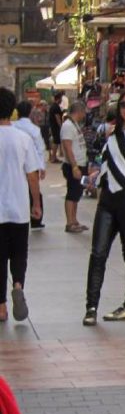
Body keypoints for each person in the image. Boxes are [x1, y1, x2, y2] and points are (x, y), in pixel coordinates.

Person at [82, 91, 125, 327]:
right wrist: (96, 175)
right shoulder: (113, 133)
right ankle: (91, 306)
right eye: (124, 104)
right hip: (108, 197)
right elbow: (108, 162)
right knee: (98, 253)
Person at [0, 88, 42, 323]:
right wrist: (36, 203)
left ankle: (2, 307)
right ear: (12, 110)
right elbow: (33, 175)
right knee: (18, 253)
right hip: (19, 206)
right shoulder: (22, 138)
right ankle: (17, 284)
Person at [13, 101, 46, 229]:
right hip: (33, 164)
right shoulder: (35, 129)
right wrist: (42, 167)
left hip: (18, 162)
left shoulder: (13, 126)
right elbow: (40, 149)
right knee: (35, 190)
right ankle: (36, 219)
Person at [60, 101, 89, 233]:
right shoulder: (67, 126)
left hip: (81, 163)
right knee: (72, 193)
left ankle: (74, 220)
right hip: (74, 165)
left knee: (77, 192)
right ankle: (69, 222)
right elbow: (67, 147)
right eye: (84, 112)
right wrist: (74, 166)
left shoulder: (74, 124)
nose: (84, 115)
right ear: (79, 111)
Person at [47, 92, 64, 163]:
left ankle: (53, 157)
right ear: (58, 99)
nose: (61, 101)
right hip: (56, 127)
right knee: (56, 142)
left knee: (55, 141)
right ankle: (53, 157)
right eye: (61, 99)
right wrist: (61, 126)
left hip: (53, 126)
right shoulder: (56, 107)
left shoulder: (52, 106)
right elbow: (57, 118)